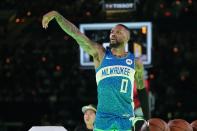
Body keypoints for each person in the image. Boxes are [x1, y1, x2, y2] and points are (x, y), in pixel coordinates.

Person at [42, 10, 150, 131]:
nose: (113, 34)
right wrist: (57, 16)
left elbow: (141, 90)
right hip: (103, 121)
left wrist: (148, 119)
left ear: (127, 38)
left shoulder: (136, 63)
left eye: (118, 32)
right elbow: (77, 34)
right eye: (112, 32)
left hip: (125, 119)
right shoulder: (100, 54)